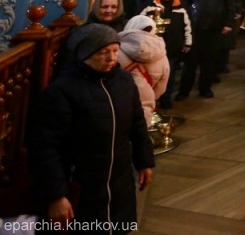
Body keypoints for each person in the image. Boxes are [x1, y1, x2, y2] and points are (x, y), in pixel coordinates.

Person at [29, 24, 154, 227]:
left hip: (120, 180)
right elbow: (45, 147)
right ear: (83, 54)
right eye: (102, 52)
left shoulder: (123, 81)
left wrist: (144, 161)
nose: (111, 58)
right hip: (83, 185)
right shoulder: (62, 91)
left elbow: (137, 123)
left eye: (115, 50)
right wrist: (56, 195)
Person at [177, 0, 234, 100]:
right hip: (195, 31)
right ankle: (184, 91)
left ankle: (205, 89)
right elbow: (184, 6)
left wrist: (228, 24)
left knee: (209, 62)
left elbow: (230, 7)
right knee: (190, 63)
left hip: (214, 31)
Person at [141, 0, 192, 109]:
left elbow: (188, 27)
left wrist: (188, 43)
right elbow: (138, 22)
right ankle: (149, 99)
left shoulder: (182, 8)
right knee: (151, 74)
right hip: (152, 48)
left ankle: (166, 99)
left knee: (169, 75)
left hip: (173, 48)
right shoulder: (149, 6)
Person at [118, 15, 170, 128]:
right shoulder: (161, 54)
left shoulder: (116, 50)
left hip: (118, 105)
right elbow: (162, 86)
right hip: (146, 107)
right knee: (141, 133)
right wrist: (150, 96)